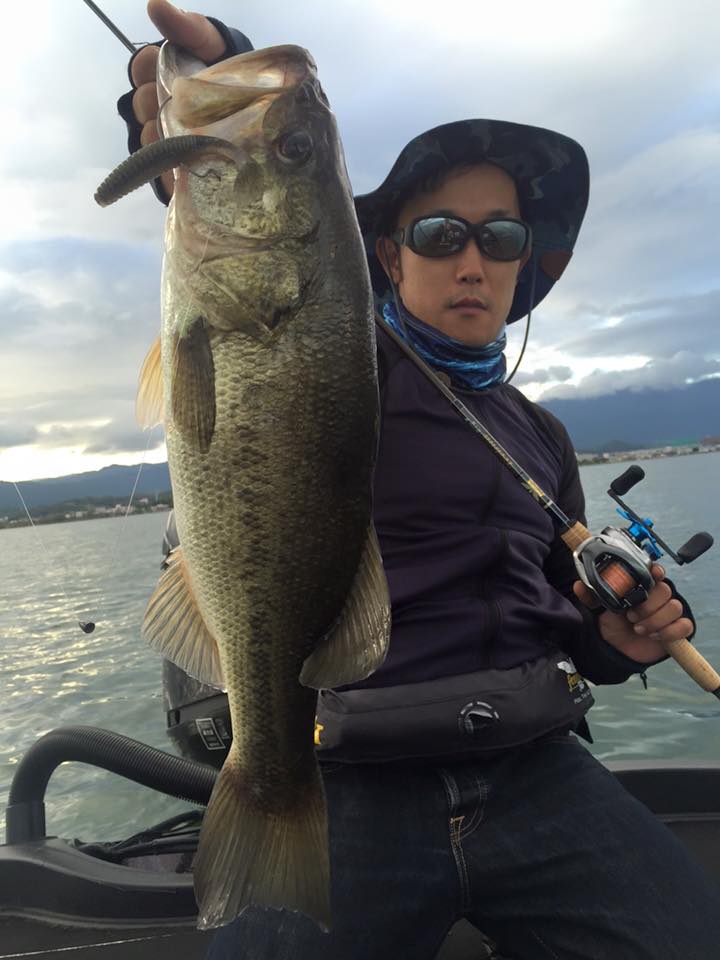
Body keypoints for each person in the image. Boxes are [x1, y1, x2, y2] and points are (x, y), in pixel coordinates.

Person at [118, 3, 720, 957]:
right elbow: (287, 278)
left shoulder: (543, 436)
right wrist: (227, 95)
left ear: (523, 267)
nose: (473, 261)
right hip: (349, 775)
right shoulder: (347, 362)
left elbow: (561, 622)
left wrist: (615, 642)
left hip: (536, 771)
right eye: (441, 233)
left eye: (502, 239)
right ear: (389, 258)